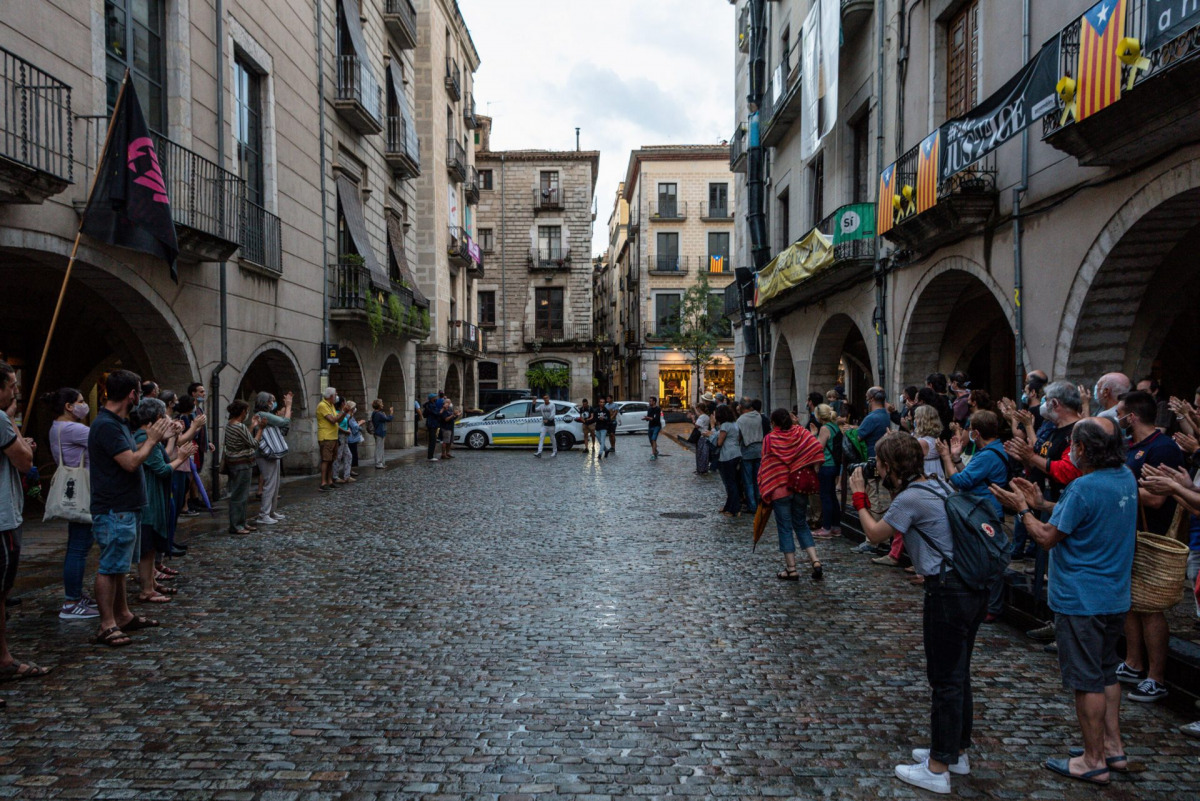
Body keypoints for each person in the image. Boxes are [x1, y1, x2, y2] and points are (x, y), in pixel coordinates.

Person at [990, 417, 1135, 786]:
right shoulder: (1124, 477)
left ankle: (1093, 760)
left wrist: (1023, 509)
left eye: (1073, 445)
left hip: (1081, 598)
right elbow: (1083, 516)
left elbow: (1045, 537)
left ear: (1082, 449)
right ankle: (1113, 748)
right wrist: (1043, 502)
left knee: (1087, 679)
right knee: (1106, 671)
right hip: (1114, 595)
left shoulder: (1083, 486)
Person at [851, 432, 987, 795]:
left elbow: (875, 534)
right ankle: (955, 752)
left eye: (880, 463)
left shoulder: (910, 498)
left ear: (888, 465)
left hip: (947, 590)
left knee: (944, 679)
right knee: (958, 674)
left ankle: (938, 768)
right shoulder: (938, 484)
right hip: (970, 586)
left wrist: (859, 496)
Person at [88, 369, 172, 647]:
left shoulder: (119, 422)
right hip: (115, 506)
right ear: (133, 394)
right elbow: (130, 462)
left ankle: (122, 615)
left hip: (127, 505)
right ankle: (106, 624)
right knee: (110, 566)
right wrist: (152, 440)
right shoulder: (107, 425)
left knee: (120, 567)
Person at [1115, 389, 1184, 703]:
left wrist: (1117, 488)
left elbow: (1157, 498)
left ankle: (1156, 678)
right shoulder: (1132, 446)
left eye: (1120, 414)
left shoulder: (1163, 447)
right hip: (1131, 535)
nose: (1117, 419)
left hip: (1155, 537)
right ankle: (1133, 663)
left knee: (1151, 608)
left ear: (1132, 417)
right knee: (1131, 602)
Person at [0, 363, 49, 690]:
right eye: (12, 386)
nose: (16, 392)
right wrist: (16, 431)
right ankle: (3, 660)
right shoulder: (1, 418)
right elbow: (25, 462)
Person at [937, 411, 1013, 622]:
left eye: (970, 430)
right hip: (982, 508)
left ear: (977, 433)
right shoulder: (991, 450)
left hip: (985, 511)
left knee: (990, 557)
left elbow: (960, 481)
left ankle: (992, 606)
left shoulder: (988, 455)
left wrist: (946, 458)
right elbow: (972, 477)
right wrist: (956, 458)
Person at [44, 387, 100, 620]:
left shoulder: (56, 427)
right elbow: (103, 440)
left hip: (75, 489)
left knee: (78, 545)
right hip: (83, 490)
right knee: (78, 547)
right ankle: (72, 601)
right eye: (80, 401)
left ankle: (76, 595)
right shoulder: (73, 428)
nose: (84, 405)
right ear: (68, 406)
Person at [132, 398, 195, 604]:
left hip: (153, 498)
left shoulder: (149, 439)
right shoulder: (143, 438)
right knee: (147, 547)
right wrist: (181, 458)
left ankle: (151, 583)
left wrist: (171, 438)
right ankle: (147, 589)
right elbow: (162, 469)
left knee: (151, 547)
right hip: (149, 500)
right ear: (158, 418)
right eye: (165, 417)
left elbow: (163, 456)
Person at [759, 407, 824, 580]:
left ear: (773, 423)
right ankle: (815, 561)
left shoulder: (770, 439)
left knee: (785, 528)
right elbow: (816, 447)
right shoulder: (801, 433)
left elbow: (765, 463)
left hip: (779, 487)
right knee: (801, 524)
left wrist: (764, 485)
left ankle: (791, 569)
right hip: (799, 486)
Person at [253, 391, 291, 524]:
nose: (273, 403)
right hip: (265, 453)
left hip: (271, 452)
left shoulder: (265, 415)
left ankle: (271, 511)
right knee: (270, 483)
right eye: (271, 401)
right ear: (265, 402)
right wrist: (288, 405)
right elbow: (285, 421)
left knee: (275, 483)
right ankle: (264, 514)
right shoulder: (262, 415)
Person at [223, 400, 259, 536]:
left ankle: (241, 522)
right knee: (239, 495)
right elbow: (253, 443)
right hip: (242, 463)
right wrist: (260, 429)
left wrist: (252, 426)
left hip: (234, 462)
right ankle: (236, 525)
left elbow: (244, 438)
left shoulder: (230, 425)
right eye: (246, 411)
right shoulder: (239, 426)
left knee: (241, 494)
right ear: (243, 411)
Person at [857, 387, 894, 513]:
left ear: (871, 399)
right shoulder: (885, 414)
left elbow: (858, 437)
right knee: (877, 490)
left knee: (872, 492)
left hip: (872, 458)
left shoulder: (872, 417)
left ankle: (874, 519)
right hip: (882, 456)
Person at [812, 403, 841, 539]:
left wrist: (813, 435)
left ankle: (826, 527)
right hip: (834, 465)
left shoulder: (824, 428)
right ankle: (835, 526)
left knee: (825, 496)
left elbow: (818, 448)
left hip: (826, 465)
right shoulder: (834, 426)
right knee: (832, 496)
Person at [713, 405, 743, 517]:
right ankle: (728, 506)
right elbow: (739, 438)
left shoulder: (725, 425)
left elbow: (719, 442)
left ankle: (734, 509)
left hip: (727, 455)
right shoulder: (735, 424)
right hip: (736, 453)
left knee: (730, 483)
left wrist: (712, 434)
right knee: (733, 481)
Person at [316, 386, 346, 490]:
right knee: (326, 460)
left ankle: (329, 481)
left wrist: (344, 412)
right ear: (331, 396)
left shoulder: (331, 405)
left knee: (331, 460)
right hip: (326, 437)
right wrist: (343, 411)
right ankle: (323, 482)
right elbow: (333, 420)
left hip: (333, 436)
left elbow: (338, 420)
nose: (337, 396)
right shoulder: (322, 405)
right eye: (336, 394)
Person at [736, 398, 762, 507]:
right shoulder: (758, 416)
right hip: (759, 449)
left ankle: (752, 505)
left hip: (747, 450)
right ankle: (759, 503)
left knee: (748, 481)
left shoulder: (741, 420)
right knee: (757, 479)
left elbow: (738, 437)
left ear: (741, 407)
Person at [370, 400, 394, 469]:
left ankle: (381, 462)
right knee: (379, 448)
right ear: (378, 405)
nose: (383, 405)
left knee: (380, 448)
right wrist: (391, 413)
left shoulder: (377, 413)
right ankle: (378, 463)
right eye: (381, 404)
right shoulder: (378, 414)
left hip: (380, 432)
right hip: (379, 432)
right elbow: (388, 419)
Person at [691, 402, 713, 473]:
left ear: (699, 409)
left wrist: (693, 420)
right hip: (705, 435)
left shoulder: (702, 417)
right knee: (704, 453)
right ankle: (703, 468)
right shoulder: (706, 416)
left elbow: (697, 425)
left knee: (700, 453)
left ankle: (701, 469)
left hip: (702, 436)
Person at [345, 400, 364, 475]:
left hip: (352, 438)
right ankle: (348, 471)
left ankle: (350, 470)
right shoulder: (348, 416)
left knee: (352, 455)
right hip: (351, 438)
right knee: (351, 455)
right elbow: (354, 427)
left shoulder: (350, 416)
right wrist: (360, 423)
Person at [422, 393, 440, 461]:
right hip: (432, 424)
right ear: (432, 398)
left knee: (433, 440)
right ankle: (430, 456)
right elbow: (436, 413)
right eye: (435, 397)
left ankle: (431, 455)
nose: (436, 398)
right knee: (432, 440)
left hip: (433, 423)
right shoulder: (430, 405)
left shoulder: (431, 404)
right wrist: (440, 411)